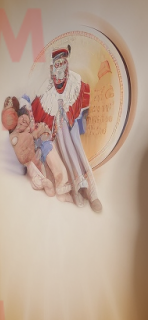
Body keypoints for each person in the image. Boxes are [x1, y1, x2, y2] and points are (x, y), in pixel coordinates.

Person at [30, 45, 103, 213]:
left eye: (63, 62)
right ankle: (77, 190)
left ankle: (92, 193)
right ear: (53, 66)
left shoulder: (74, 81)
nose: (60, 66)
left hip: (72, 124)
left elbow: (83, 100)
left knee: (78, 152)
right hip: (58, 130)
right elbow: (38, 109)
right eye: (57, 63)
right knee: (65, 154)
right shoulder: (47, 89)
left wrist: (78, 119)